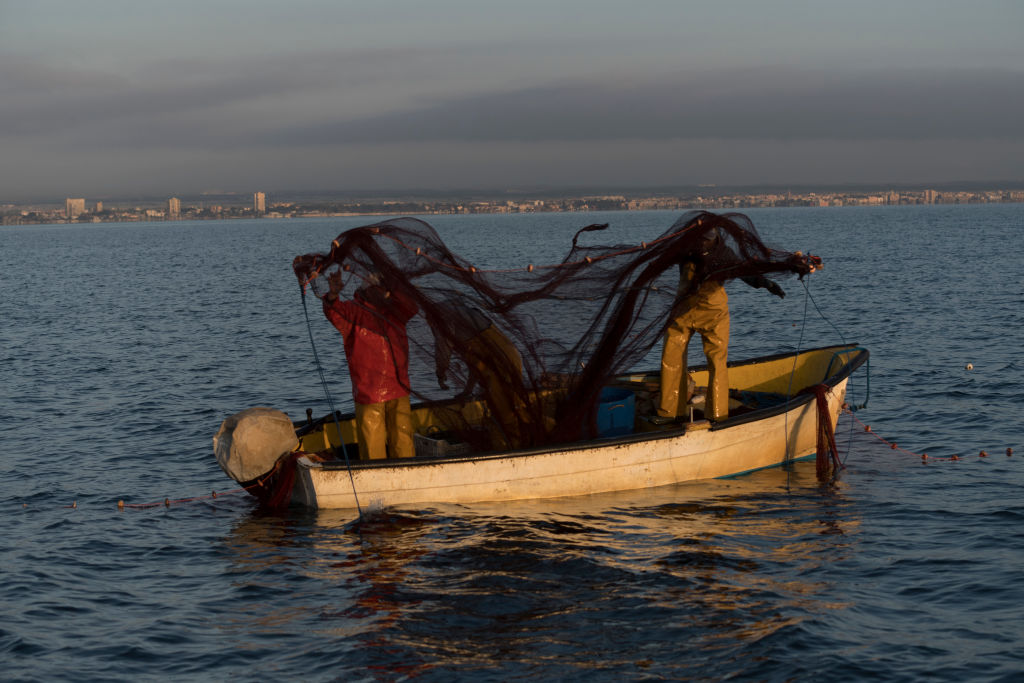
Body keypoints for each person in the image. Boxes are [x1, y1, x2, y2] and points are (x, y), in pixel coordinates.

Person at [655, 227, 785, 424]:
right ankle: (692, 415)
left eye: (705, 241)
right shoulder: (708, 251)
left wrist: (766, 283)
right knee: (688, 360)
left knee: (693, 360)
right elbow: (745, 272)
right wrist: (766, 284)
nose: (702, 245)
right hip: (692, 312)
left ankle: (684, 413)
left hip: (701, 312)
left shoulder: (687, 249)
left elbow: (745, 273)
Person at [322, 271, 419, 459]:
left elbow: (412, 306)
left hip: (398, 386)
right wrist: (333, 294)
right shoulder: (353, 310)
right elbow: (333, 311)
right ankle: (376, 480)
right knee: (373, 445)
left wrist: (394, 289)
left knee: (403, 440)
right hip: (369, 390)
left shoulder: (396, 309)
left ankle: (406, 477)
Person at [431, 300, 527, 448]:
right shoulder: (461, 312)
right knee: (511, 407)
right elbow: (476, 363)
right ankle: (516, 442)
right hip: (510, 356)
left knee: (506, 412)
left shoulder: (441, 316)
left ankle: (514, 449)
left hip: (502, 365)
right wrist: (467, 390)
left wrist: (440, 373)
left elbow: (443, 348)